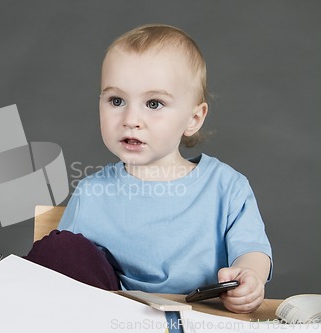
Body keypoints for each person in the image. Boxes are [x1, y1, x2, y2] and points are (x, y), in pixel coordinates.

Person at [26, 24, 272, 314]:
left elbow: (252, 249)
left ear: (194, 118)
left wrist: (248, 276)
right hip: (114, 318)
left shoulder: (226, 187)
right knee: (58, 249)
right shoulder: (91, 192)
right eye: (116, 100)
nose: (131, 118)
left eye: (154, 103)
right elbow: (67, 272)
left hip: (204, 317)